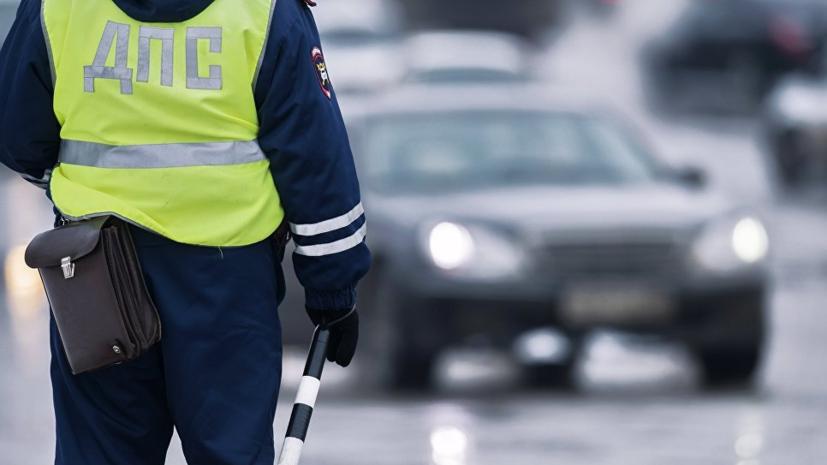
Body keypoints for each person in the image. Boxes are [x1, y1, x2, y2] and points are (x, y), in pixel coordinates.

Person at [0, 0, 370, 463]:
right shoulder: (265, 11)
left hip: (95, 274)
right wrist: (333, 288)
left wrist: (78, 195)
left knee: (101, 453)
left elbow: (17, 136)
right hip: (225, 283)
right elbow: (314, 160)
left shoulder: (58, 7)